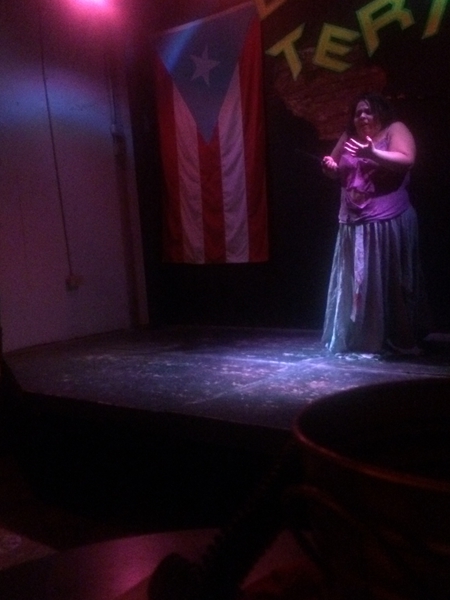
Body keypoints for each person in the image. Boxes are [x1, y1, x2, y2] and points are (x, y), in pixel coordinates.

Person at [321, 92, 429, 355]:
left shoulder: (394, 129)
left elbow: (406, 160)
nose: (362, 116)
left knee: (389, 283)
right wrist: (329, 167)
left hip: (386, 221)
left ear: (381, 112)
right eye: (358, 113)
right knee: (357, 283)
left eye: (368, 111)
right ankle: (361, 336)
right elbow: (334, 168)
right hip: (353, 221)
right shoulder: (349, 136)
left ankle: (395, 336)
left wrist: (373, 153)